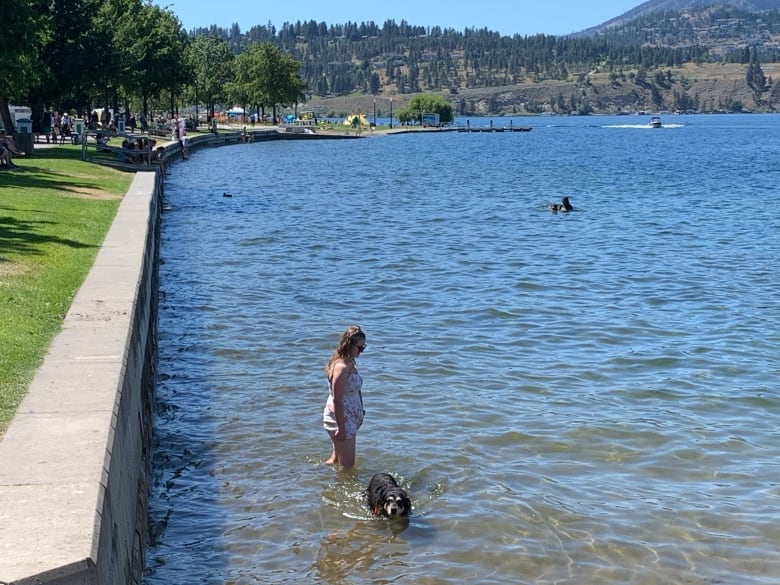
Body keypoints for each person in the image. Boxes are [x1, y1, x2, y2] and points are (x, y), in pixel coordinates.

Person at [322, 325, 367, 471]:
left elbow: (353, 391)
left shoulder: (351, 362)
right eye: (359, 348)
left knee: (336, 460)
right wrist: (341, 429)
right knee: (347, 466)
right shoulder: (341, 367)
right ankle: (339, 491)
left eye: (363, 347)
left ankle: (317, 475)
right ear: (349, 345)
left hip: (349, 418)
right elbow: (337, 399)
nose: (361, 351)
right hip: (341, 419)